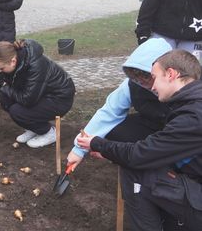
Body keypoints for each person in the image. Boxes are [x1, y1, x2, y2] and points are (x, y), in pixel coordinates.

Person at [77, 49, 202, 231]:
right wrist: (112, 154)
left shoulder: (193, 116)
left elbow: (141, 155)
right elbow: (164, 151)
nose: (152, 86)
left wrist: (97, 143)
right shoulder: (192, 104)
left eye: (154, 77)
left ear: (170, 74)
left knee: (135, 170)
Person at [67, 38, 173, 169]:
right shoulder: (132, 85)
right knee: (112, 133)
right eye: (137, 77)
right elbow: (109, 112)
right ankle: (132, 157)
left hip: (176, 134)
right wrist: (78, 150)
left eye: (147, 77)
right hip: (150, 123)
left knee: (162, 154)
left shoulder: (183, 87)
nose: (142, 82)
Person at [0, 39, 75, 148]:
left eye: (1, 68)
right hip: (39, 95)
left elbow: (28, 99)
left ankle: (48, 132)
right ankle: (33, 128)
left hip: (59, 98)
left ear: (13, 61)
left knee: (17, 111)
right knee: (4, 97)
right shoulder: (10, 63)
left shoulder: (36, 65)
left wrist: (6, 89)